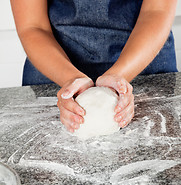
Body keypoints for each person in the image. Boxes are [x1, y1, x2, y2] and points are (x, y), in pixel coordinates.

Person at [10, 0, 177, 133]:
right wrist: (71, 79)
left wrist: (120, 76)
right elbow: (32, 26)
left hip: (144, 64)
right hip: (54, 67)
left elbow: (157, 11)